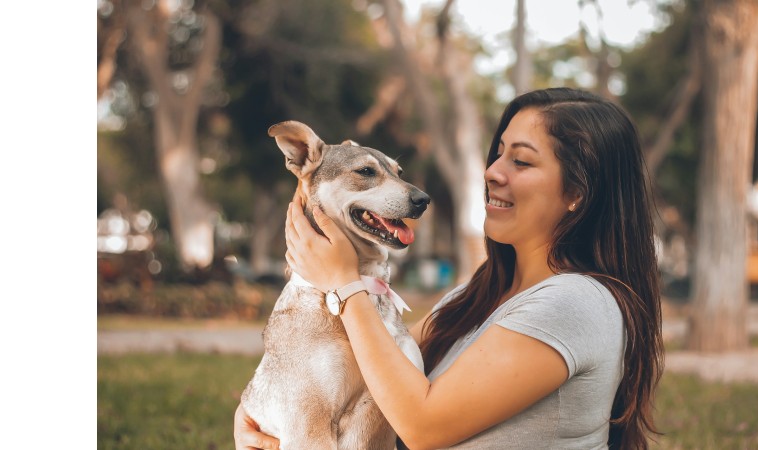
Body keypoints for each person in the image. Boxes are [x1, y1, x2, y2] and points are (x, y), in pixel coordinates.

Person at [234, 87, 663, 449]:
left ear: (579, 193)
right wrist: (256, 413)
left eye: (522, 160)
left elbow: (421, 425)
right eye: (497, 155)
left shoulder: (575, 303)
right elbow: (368, 366)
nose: (493, 172)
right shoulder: (473, 297)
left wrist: (344, 282)